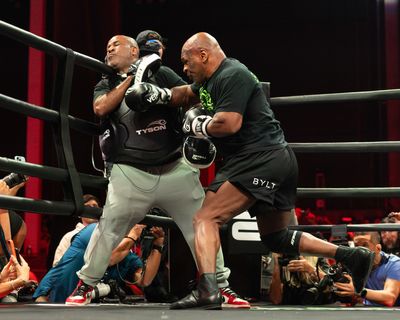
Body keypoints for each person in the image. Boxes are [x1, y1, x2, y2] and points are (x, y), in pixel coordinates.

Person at [124, 32, 376, 309]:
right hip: (276, 158)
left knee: (205, 219)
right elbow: (184, 93)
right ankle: (350, 256)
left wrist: (195, 126)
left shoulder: (232, 74)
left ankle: (208, 288)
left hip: (257, 158)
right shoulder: (210, 81)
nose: (184, 68)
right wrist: (156, 95)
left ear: (203, 54)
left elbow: (229, 123)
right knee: (275, 237)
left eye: (186, 61)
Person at [66, 34, 248, 308]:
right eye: (107, 47)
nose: (109, 50)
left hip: (176, 168)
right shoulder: (107, 81)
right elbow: (100, 107)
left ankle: (221, 286)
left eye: (116, 45)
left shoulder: (161, 73)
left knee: (201, 225)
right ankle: (87, 284)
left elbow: (192, 93)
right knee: (109, 228)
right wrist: (131, 81)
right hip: (130, 172)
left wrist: (192, 118)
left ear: (134, 50)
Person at [34, 223, 163, 303]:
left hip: (83, 308)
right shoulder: (94, 231)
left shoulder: (126, 255)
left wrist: (158, 246)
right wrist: (133, 234)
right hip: (52, 301)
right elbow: (108, 259)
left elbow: (144, 280)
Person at [334, 231, 400, 307]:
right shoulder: (355, 263)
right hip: (367, 311)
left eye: (365, 245)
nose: (360, 251)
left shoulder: (394, 264)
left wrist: (359, 291)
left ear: (378, 248)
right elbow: (354, 297)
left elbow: (389, 299)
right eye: (357, 246)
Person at [52, 194, 100, 266]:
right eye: (87, 207)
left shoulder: (105, 235)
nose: (92, 209)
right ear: (80, 214)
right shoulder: (69, 237)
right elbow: (57, 264)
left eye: (95, 206)